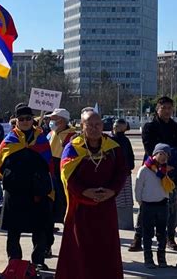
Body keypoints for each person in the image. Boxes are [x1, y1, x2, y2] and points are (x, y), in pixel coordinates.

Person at [56, 108, 127, 279]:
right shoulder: (73, 147)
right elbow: (67, 176)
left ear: (103, 125)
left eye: (98, 124)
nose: (95, 128)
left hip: (106, 206)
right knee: (80, 250)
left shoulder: (113, 147)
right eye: (90, 125)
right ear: (82, 125)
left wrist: (112, 191)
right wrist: (84, 192)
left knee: (106, 248)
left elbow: (121, 172)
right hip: (81, 207)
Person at [0, 104, 53, 271]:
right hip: (15, 191)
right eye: (22, 119)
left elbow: (48, 164)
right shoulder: (9, 140)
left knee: (40, 229)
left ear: (33, 120)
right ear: (16, 121)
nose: (25, 122)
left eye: (28, 118)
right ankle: (14, 260)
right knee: (14, 230)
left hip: (36, 192)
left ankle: (38, 259)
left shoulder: (41, 139)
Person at [132, 96, 177, 252]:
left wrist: (171, 165)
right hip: (151, 169)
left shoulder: (176, 127)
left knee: (171, 206)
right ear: (157, 109)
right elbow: (149, 148)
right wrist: (160, 164)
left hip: (172, 171)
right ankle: (138, 237)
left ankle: (170, 237)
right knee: (146, 206)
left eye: (170, 108)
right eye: (164, 108)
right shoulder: (149, 127)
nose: (167, 111)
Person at [135, 143, 173, 269]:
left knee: (162, 233)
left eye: (166, 155)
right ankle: (148, 258)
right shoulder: (145, 169)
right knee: (147, 233)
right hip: (147, 205)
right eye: (161, 154)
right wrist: (140, 201)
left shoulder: (166, 170)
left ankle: (161, 258)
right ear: (154, 154)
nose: (163, 157)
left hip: (162, 204)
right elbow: (138, 187)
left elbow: (169, 187)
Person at [45, 107, 77, 257]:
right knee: (48, 213)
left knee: (67, 212)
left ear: (63, 120)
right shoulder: (50, 134)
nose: (51, 121)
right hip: (50, 174)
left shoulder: (72, 136)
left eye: (54, 118)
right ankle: (47, 246)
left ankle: (73, 246)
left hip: (64, 175)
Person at [111, 118, 135, 230]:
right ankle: (117, 223)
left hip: (125, 173)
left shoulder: (125, 140)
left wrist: (129, 167)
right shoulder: (110, 140)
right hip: (114, 174)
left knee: (126, 199)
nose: (117, 128)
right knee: (116, 199)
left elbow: (130, 156)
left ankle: (126, 223)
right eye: (116, 126)